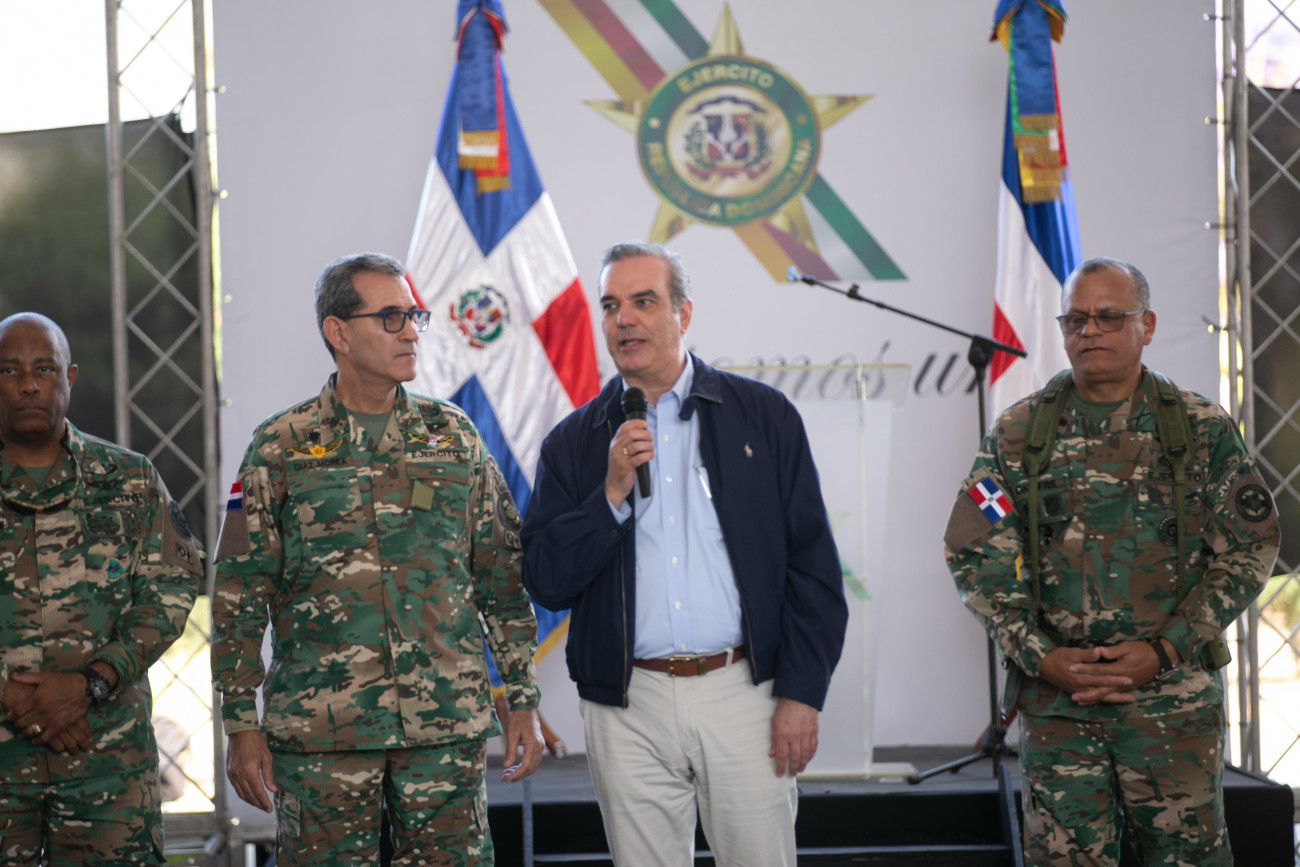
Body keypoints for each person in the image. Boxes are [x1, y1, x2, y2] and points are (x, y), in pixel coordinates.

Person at [943, 257, 1280, 866]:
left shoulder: (1200, 429)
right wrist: (1042, 656)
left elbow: (1250, 545)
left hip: (1172, 705)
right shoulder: (1019, 434)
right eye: (1075, 319)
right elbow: (972, 553)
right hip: (1059, 707)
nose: (1089, 330)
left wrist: (1168, 648)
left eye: (1108, 316)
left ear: (1146, 325)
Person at [521, 241, 847, 866]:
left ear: (684, 313)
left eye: (644, 302)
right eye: (610, 306)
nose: (624, 320)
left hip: (744, 692)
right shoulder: (574, 442)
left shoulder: (763, 416)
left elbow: (813, 569)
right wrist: (610, 495)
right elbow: (545, 581)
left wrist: (802, 694)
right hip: (627, 706)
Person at [211, 253, 543, 865]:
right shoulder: (280, 447)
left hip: (443, 726)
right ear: (338, 332)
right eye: (391, 317)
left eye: (414, 315)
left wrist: (522, 696)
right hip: (323, 731)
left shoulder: (454, 437)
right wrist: (240, 724)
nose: (411, 331)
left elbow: (499, 578)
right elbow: (239, 594)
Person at [0, 312, 201, 865]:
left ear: (70, 377)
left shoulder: (131, 480)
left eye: (44, 368)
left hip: (107, 764)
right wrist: (9, 693)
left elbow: (171, 589)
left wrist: (90, 683)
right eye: (10, 370)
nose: (29, 384)